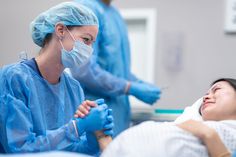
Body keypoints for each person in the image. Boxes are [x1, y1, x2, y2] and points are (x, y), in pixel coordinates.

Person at [0, 2, 114, 155]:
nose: (89, 50)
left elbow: (71, 150)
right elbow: (20, 148)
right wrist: (76, 127)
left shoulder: (73, 88)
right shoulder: (15, 78)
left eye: (92, 43)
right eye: (86, 40)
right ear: (60, 30)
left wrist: (93, 136)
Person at [77, 78, 236, 157]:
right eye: (206, 94)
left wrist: (209, 135)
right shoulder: (190, 126)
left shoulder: (224, 132)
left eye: (216, 90)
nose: (206, 97)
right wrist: (102, 136)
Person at [70, 0, 161, 136]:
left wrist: (137, 83)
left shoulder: (114, 14)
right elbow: (83, 70)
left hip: (119, 114)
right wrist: (129, 87)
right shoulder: (86, 9)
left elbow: (116, 68)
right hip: (96, 110)